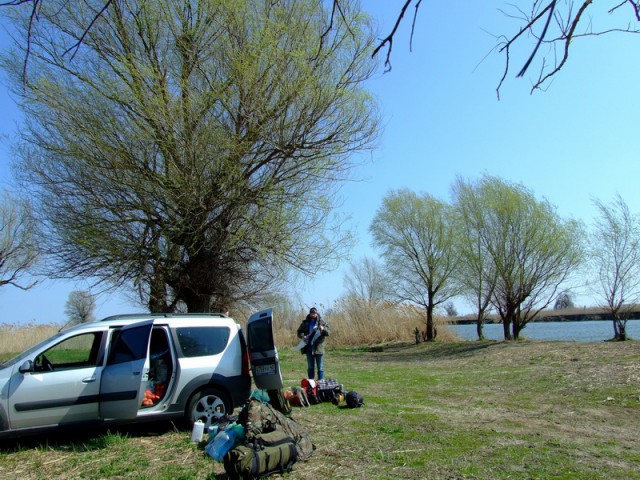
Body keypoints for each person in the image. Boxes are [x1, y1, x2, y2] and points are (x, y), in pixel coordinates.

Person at [296, 307, 330, 380]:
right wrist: (303, 336)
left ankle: (321, 384)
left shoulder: (322, 322)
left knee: (320, 368)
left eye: (314, 313)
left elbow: (328, 332)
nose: (313, 315)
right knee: (310, 367)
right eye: (311, 313)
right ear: (310, 314)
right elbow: (299, 332)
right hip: (308, 347)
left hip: (318, 347)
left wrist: (323, 329)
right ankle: (311, 384)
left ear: (316, 313)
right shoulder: (305, 322)